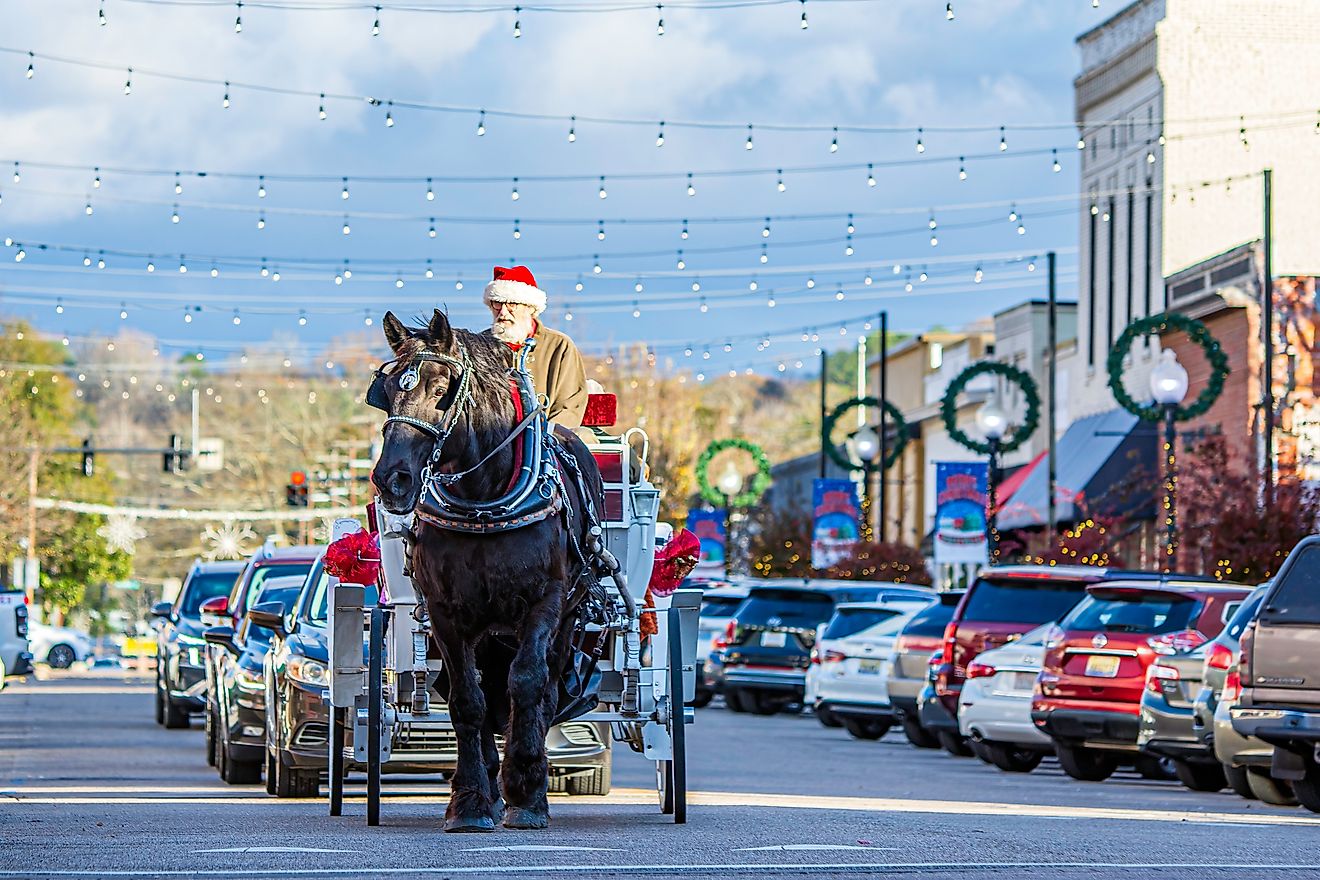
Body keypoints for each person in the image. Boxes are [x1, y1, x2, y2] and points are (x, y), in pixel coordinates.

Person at [482, 265, 588, 428]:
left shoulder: (559, 347)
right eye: (497, 303)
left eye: (511, 304)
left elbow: (569, 407)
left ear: (530, 307)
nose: (502, 312)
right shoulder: (479, 347)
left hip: (546, 442)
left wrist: (543, 436)